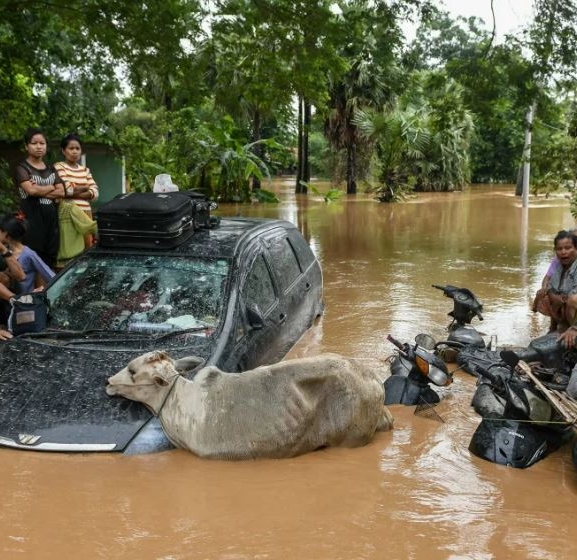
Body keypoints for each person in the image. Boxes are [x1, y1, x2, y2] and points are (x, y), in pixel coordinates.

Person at [14, 128, 65, 268]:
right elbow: (30, 191)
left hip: (51, 224)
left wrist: (39, 190)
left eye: (42, 143)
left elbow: (61, 192)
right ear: (26, 146)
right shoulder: (22, 168)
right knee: (33, 261)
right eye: (34, 143)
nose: (38, 146)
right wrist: (50, 187)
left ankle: (45, 289)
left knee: (49, 261)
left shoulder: (51, 169)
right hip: (31, 223)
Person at [54, 133, 99, 249]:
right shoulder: (59, 167)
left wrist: (73, 191)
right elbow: (66, 189)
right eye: (71, 148)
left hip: (86, 213)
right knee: (71, 248)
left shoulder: (85, 170)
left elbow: (95, 193)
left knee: (87, 246)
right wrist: (85, 188)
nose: (74, 151)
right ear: (63, 151)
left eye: (77, 148)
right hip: (69, 214)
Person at [533, 230, 577, 348]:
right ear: (555, 251)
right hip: (567, 307)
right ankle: (559, 327)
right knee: (544, 295)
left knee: (573, 299)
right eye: (559, 249)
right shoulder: (558, 264)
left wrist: (575, 328)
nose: (563, 252)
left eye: (568, 248)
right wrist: (549, 293)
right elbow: (550, 283)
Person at [0, 213, 55, 294]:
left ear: (7, 235)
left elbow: (49, 275)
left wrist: (42, 290)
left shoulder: (29, 254)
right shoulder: (3, 251)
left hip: (25, 302)